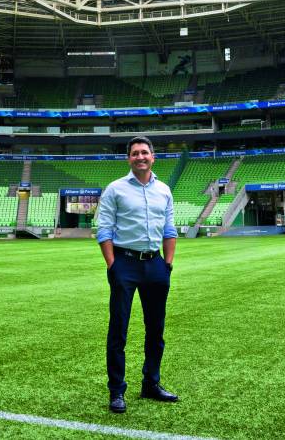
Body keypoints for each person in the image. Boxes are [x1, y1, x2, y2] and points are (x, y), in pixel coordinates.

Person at [96, 136, 179, 414]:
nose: (140, 157)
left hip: (155, 265)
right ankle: (117, 391)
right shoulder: (115, 189)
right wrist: (112, 265)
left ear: (153, 157)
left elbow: (170, 230)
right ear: (128, 158)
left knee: (156, 329)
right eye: (135, 153)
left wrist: (167, 265)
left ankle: (151, 384)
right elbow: (104, 229)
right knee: (118, 329)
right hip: (125, 264)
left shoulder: (164, 190)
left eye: (145, 152)